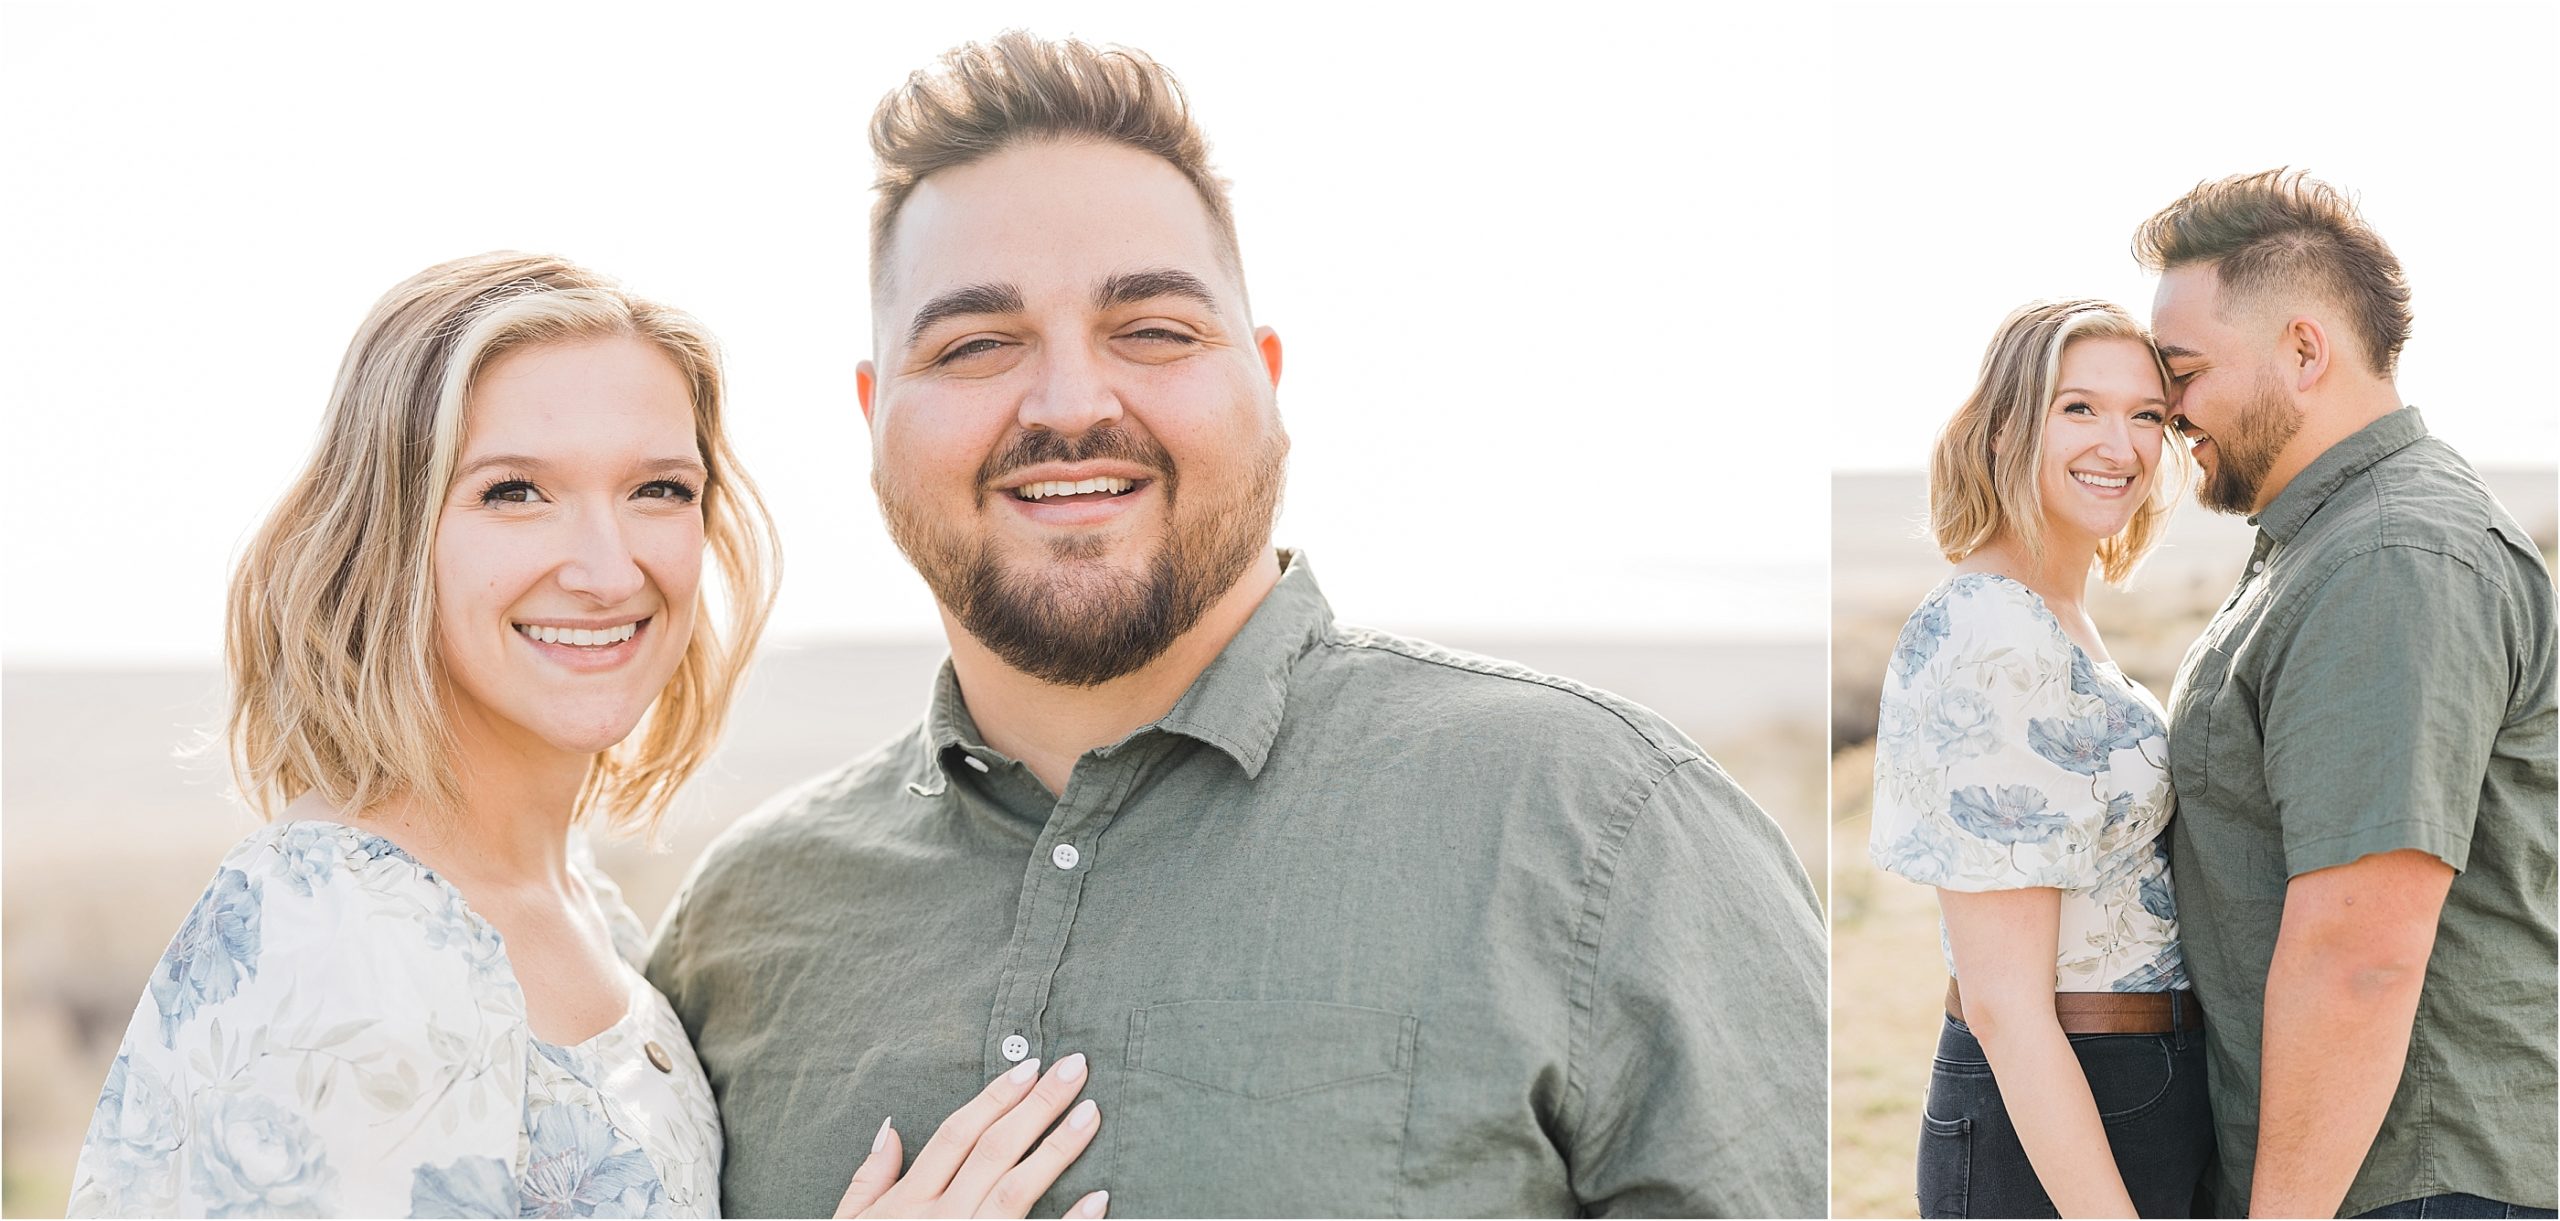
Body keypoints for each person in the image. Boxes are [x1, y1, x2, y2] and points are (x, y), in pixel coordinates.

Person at [644, 31, 1830, 1219]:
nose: (1068, 404)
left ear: (1262, 380)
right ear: (873, 413)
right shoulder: (741, 927)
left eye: (1153, 330)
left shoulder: (1601, 830)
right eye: (974, 345)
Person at [67, 253, 1108, 1219]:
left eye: (659, 489)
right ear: (385, 532)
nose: (608, 571)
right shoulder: (339, 951)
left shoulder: (576, 910)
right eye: (514, 492)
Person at [2138, 170, 2558, 1219]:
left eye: (2182, 373)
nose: (2165, 410)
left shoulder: (2391, 558)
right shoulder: (2321, 538)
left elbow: (2359, 955)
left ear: (2304, 350)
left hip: (2411, 1184)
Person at [1869, 298, 2212, 1218]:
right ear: (2006, 428)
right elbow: (2006, 1006)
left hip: (2131, 1083)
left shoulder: (2057, 615)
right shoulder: (1991, 629)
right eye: (2079, 408)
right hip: (2065, 1098)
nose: (2123, 443)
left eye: (2148, 414)